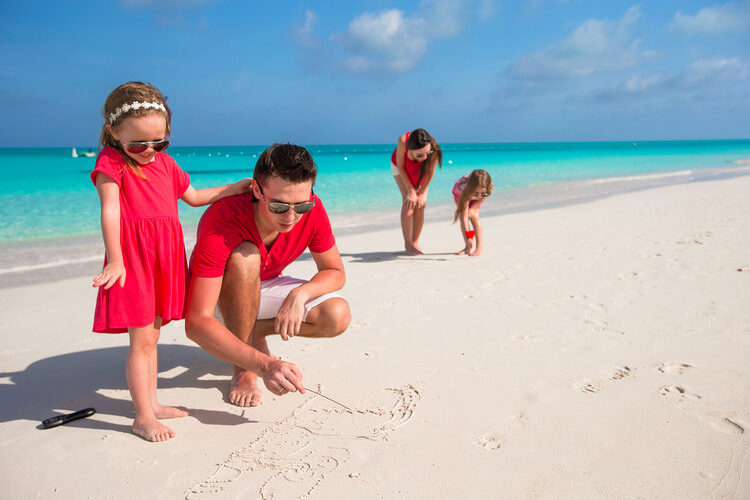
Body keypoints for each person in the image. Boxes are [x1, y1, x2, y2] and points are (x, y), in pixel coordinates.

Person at [91, 81, 251, 442]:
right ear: (114, 133)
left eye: (159, 142)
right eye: (138, 144)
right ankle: (142, 415)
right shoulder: (111, 162)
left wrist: (232, 189)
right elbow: (110, 211)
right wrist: (116, 260)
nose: (149, 151)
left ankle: (152, 403)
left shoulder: (165, 164)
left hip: (165, 256)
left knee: (154, 335)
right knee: (141, 342)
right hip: (134, 259)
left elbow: (194, 197)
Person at [185, 143, 351, 408]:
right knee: (246, 257)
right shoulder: (223, 218)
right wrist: (264, 365)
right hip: (217, 297)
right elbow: (195, 322)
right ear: (256, 190)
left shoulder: (312, 209)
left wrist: (301, 294)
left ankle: (249, 336)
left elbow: (335, 271)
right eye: (278, 206)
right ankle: (242, 369)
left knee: (337, 315)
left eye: (302, 205)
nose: (291, 216)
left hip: (263, 286)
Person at [390, 128, 442, 255]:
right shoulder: (403, 141)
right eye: (420, 155)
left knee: (419, 204)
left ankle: (415, 242)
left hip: (422, 170)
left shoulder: (433, 148)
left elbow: (430, 173)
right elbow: (401, 167)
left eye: (427, 153)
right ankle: (408, 244)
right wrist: (411, 191)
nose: (424, 157)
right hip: (400, 167)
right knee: (408, 200)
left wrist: (422, 193)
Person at [452, 169, 493, 257]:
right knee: (465, 217)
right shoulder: (464, 189)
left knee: (474, 215)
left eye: (482, 193)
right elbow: (464, 215)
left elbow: (486, 194)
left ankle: (479, 247)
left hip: (472, 193)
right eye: (477, 193)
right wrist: (468, 236)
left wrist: (474, 208)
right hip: (462, 195)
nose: (478, 196)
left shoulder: (488, 186)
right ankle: (467, 247)